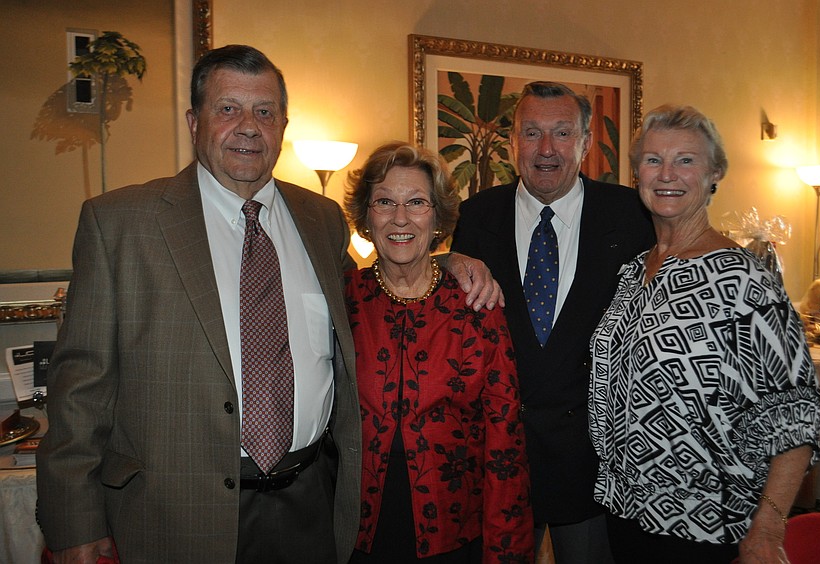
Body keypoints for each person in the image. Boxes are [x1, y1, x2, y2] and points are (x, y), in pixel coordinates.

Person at [36, 45, 501, 564]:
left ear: (283, 125)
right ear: (195, 122)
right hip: (176, 515)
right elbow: (79, 390)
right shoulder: (121, 223)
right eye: (227, 108)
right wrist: (74, 523)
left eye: (264, 112)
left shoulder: (320, 221)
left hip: (312, 506)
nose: (249, 127)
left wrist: (452, 258)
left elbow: (379, 291)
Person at [588, 104, 820, 563]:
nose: (667, 173)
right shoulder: (634, 272)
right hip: (627, 512)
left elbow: (796, 416)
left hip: (707, 524)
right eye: (653, 160)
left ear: (715, 173)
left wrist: (768, 530)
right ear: (636, 174)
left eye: (686, 160)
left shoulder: (744, 282)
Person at [451, 81, 654, 562]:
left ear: (585, 143)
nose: (546, 150)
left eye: (562, 134)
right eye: (532, 133)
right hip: (498, 459)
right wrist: (447, 261)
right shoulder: (476, 217)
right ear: (511, 142)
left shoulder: (631, 216)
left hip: (592, 464)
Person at [343, 142, 534, 563]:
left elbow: (504, 442)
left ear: (438, 216)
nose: (400, 218)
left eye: (416, 202)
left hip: (453, 535)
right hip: (353, 533)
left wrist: (505, 551)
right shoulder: (343, 299)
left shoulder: (477, 306)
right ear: (366, 216)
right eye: (384, 202)